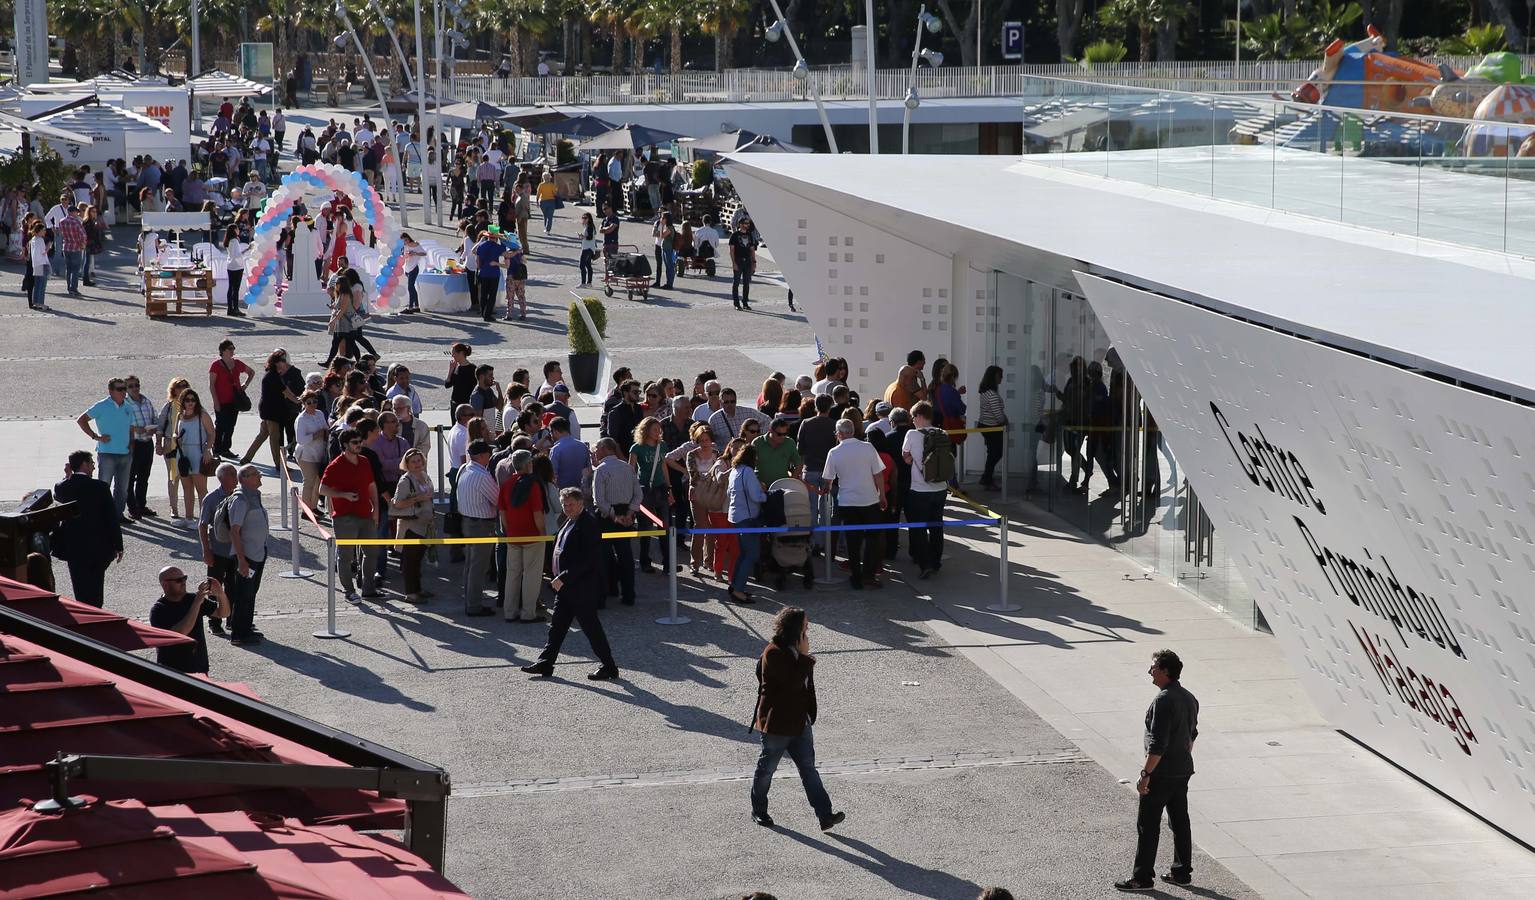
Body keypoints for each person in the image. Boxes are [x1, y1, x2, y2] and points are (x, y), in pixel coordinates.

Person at [749, 606, 844, 832]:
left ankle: (824, 815)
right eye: (805, 625)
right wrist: (804, 658)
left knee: (808, 769)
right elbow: (791, 685)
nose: (808, 628)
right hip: (777, 726)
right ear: (795, 628)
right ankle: (759, 810)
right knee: (766, 769)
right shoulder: (773, 653)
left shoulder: (796, 650)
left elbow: (803, 687)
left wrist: (809, 713)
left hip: (800, 723)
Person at [1117, 649, 1200, 892]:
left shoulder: (1163, 700)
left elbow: (1157, 744)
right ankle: (1181, 873)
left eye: (1153, 667)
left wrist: (1145, 775)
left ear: (1165, 671)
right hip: (1182, 770)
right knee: (1180, 821)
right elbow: (1191, 736)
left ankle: (1142, 878)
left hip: (1162, 773)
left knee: (1148, 824)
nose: (1149, 671)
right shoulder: (1189, 697)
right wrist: (1180, 758)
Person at [521, 488, 620, 680]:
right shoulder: (568, 521)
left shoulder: (588, 524)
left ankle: (609, 666)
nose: (567, 508)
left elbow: (588, 559)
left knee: (591, 628)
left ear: (581, 503)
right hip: (566, 587)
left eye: (571, 505)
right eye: (564, 505)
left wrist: (563, 576)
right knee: (557, 627)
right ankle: (546, 663)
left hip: (581, 587)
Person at [51, 450, 124, 608]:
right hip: (99, 547)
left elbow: (59, 493)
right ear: (84, 464)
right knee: (96, 587)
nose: (93, 467)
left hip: (74, 547)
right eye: (91, 463)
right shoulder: (100, 487)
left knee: (80, 587)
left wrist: (67, 476)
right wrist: (118, 545)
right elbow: (111, 519)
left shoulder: (63, 487)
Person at [821, 419, 887, 590]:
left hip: (848, 501)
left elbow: (828, 479)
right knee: (873, 539)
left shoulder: (834, 452)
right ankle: (869, 575)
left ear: (839, 433)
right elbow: (878, 474)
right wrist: (882, 495)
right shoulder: (868, 447)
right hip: (869, 499)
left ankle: (856, 577)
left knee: (853, 540)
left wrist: (826, 490)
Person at [320, 428, 381, 602]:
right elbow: (322, 489)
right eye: (355, 442)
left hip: (365, 514)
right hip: (344, 517)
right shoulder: (335, 465)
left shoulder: (364, 461)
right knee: (345, 556)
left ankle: (369, 589)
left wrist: (376, 508)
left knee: (371, 552)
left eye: (360, 441)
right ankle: (349, 591)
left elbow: (371, 486)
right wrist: (343, 495)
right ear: (345, 445)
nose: (359, 445)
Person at [149, 568, 232, 674]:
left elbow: (223, 613)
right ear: (165, 584)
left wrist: (221, 594)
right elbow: (180, 634)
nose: (183, 583)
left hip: (199, 668)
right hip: (173, 671)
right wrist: (197, 603)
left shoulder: (192, 598)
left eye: (184, 578)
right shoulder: (159, 610)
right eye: (179, 580)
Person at [591, 437, 642, 606]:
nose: (595, 452)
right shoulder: (627, 467)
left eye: (597, 448)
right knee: (625, 555)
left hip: (606, 517)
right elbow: (638, 494)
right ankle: (629, 595)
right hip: (625, 514)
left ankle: (602, 596)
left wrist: (613, 515)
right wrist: (629, 513)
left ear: (606, 449)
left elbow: (598, 499)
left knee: (603, 557)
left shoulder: (601, 470)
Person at [497, 449, 546, 622]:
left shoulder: (506, 484)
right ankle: (527, 613)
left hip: (513, 535)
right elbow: (537, 513)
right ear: (528, 465)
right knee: (531, 575)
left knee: (513, 574)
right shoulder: (532, 485)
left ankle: (509, 612)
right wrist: (542, 533)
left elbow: (502, 511)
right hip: (532, 535)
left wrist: (508, 529)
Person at [902, 401, 949, 579]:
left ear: (920, 416)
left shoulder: (912, 434)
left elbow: (905, 456)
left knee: (919, 527)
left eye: (913, 417)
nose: (912, 421)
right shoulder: (943, 433)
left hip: (920, 489)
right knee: (936, 525)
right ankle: (936, 561)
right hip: (941, 488)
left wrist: (913, 460)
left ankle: (924, 563)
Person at [76, 377, 134, 521]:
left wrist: (132, 443)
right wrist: (96, 437)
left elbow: (130, 427)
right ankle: (101, 515)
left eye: (124, 389)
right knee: (103, 486)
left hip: (125, 453)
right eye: (120, 389)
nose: (123, 392)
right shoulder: (101, 406)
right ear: (111, 391)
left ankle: (118, 514)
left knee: (122, 488)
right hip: (107, 453)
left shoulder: (128, 406)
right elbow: (81, 420)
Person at [223, 465, 269, 646]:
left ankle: (247, 627)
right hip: (247, 556)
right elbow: (235, 531)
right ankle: (239, 633)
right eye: (256, 474)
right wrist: (241, 560)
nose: (259, 476)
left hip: (257, 553)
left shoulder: (254, 495)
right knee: (243, 594)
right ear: (245, 478)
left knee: (251, 593)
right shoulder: (241, 500)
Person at [456, 439, 500, 616]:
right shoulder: (482, 475)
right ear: (482, 456)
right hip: (481, 524)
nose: (490, 456)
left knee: (470, 565)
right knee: (478, 567)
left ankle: (470, 600)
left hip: (467, 521)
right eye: (488, 453)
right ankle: (474, 605)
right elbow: (497, 499)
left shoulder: (464, 468)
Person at [629, 417, 673, 573]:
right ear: (646, 430)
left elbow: (663, 467)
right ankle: (645, 562)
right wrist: (633, 494)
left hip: (661, 489)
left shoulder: (662, 446)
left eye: (659, 429)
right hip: (644, 491)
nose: (658, 432)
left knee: (665, 527)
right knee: (646, 527)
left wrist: (669, 489)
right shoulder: (637, 448)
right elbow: (631, 471)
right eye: (655, 429)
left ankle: (668, 563)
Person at [391, 449, 435, 603]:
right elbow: (397, 503)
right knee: (410, 562)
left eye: (419, 460)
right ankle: (411, 594)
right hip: (410, 527)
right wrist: (418, 498)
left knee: (418, 560)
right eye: (413, 462)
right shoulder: (405, 480)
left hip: (424, 525)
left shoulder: (424, 476)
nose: (417, 464)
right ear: (407, 464)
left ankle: (418, 589)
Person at [726, 443, 767, 604]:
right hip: (747, 518)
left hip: (735, 516)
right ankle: (738, 590)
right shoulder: (748, 472)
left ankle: (735, 585)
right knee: (751, 554)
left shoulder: (734, 471)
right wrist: (767, 496)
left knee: (743, 553)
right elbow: (756, 497)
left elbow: (729, 493)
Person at [209, 340, 254, 460]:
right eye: (230, 348)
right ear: (223, 351)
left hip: (235, 401)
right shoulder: (216, 365)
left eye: (233, 348)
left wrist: (245, 385)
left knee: (231, 425)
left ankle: (226, 448)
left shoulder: (237, 363)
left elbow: (251, 372)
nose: (233, 350)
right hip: (222, 401)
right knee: (220, 426)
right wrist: (216, 402)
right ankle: (216, 448)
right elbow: (212, 385)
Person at [975, 365, 1009, 490]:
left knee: (992, 453)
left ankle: (987, 477)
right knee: (996, 452)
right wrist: (1005, 421)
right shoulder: (992, 395)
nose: (1002, 378)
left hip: (986, 425)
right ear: (995, 376)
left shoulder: (985, 392)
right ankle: (987, 477)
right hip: (992, 427)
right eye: (1000, 375)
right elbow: (998, 415)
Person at [729, 218, 758, 310]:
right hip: (738, 261)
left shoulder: (750, 235)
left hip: (748, 262)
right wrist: (734, 263)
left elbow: (752, 250)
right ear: (740, 224)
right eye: (746, 223)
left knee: (746, 283)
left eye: (748, 223)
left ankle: (745, 303)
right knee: (736, 283)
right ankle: (736, 304)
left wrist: (754, 262)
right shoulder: (734, 235)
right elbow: (732, 251)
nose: (748, 225)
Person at [503, 236, 528, 321]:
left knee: (510, 297)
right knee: (521, 296)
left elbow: (507, 266)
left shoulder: (507, 254)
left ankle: (509, 315)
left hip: (511, 277)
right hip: (520, 277)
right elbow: (525, 261)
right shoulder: (520, 253)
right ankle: (523, 314)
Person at [26, 222, 50, 311]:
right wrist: (48, 247)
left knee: (37, 284)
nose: (45, 232)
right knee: (42, 285)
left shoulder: (33, 239)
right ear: (39, 231)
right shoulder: (40, 240)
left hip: (36, 264)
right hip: (42, 263)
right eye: (43, 230)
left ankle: (35, 302)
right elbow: (43, 252)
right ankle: (41, 303)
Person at [576, 212, 597, 286]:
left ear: (589, 219)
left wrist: (583, 237)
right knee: (588, 265)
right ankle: (589, 282)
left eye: (585, 218)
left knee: (582, 265)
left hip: (587, 249)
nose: (584, 219)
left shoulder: (590, 227)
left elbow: (590, 237)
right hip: (589, 248)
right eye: (583, 218)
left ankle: (583, 283)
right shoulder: (588, 226)